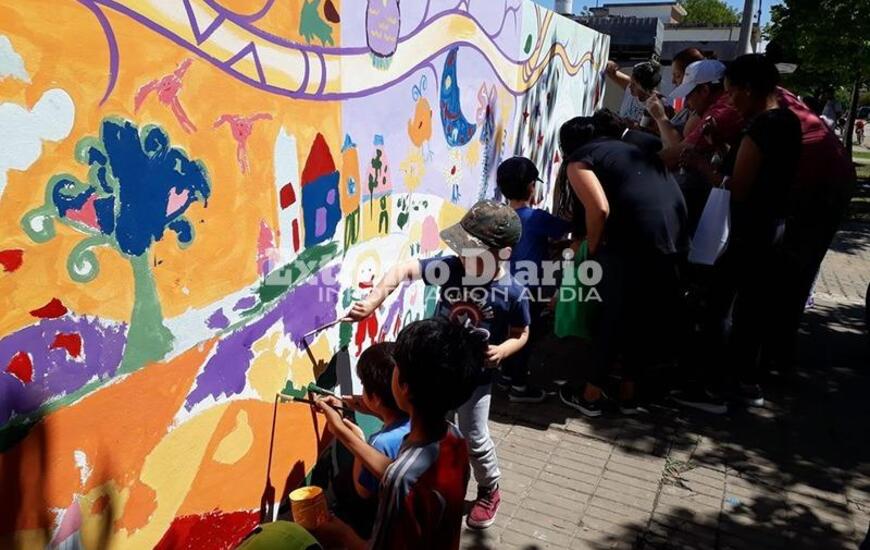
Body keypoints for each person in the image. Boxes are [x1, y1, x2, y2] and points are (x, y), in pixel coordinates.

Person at [345, 200, 530, 529]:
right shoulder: (451, 269)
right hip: (435, 374)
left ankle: (489, 488)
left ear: (504, 253)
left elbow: (522, 332)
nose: (462, 256)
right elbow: (404, 270)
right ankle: (437, 476)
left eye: (471, 251)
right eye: (460, 247)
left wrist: (504, 350)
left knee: (474, 435)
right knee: (431, 430)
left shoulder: (512, 292)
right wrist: (375, 300)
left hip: (476, 380)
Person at [683, 54, 802, 408]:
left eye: (733, 92)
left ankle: (711, 389)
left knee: (719, 305)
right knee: (752, 309)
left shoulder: (761, 127)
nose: (729, 100)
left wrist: (703, 165)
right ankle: (745, 383)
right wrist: (720, 147)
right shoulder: (788, 122)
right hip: (773, 228)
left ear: (750, 90)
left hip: (749, 231)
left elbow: (739, 185)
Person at [556, 112, 688, 417]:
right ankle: (629, 395)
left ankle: (590, 396)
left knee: (611, 318)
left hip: (636, 247)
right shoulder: (629, 150)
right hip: (675, 241)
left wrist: (591, 244)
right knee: (641, 317)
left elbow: (599, 208)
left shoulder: (579, 160)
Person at [313, 318, 485, 550]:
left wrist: (340, 534)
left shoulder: (402, 481)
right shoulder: (453, 439)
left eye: (396, 367)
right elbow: (403, 473)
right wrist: (348, 427)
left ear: (404, 385)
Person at [495, 156, 571, 402]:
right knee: (524, 337)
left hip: (502, 286)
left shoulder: (500, 216)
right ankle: (519, 386)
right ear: (531, 186)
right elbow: (564, 228)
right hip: (529, 292)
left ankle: (505, 376)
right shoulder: (537, 218)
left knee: (508, 333)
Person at [646, 59, 745, 231]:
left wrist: (634, 165)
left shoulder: (721, 111)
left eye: (689, 94)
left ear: (705, 90)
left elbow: (679, 153)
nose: (687, 102)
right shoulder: (717, 107)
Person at [605, 60, 662, 126]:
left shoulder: (655, 107)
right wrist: (610, 65)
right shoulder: (631, 88)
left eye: (634, 84)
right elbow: (611, 72)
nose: (629, 86)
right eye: (631, 82)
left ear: (644, 87)